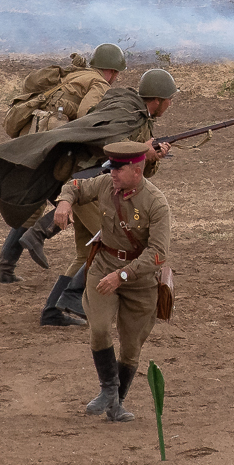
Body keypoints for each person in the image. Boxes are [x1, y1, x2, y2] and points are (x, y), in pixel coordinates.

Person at [32, 68, 178, 325]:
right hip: (94, 188)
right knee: (112, 244)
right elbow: (115, 155)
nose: (170, 104)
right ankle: (72, 298)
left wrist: (151, 156)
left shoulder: (137, 118)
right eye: (169, 99)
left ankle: (52, 311)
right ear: (157, 100)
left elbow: (139, 172)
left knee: (82, 254)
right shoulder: (128, 116)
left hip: (91, 186)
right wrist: (143, 151)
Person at [50, 141, 170, 423]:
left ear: (137, 171)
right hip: (103, 266)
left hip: (139, 279)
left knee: (131, 347)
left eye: (118, 169)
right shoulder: (106, 184)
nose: (112, 173)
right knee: (100, 328)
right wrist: (65, 202)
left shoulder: (155, 203)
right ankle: (108, 391)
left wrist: (123, 276)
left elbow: (158, 253)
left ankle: (117, 402)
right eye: (111, 168)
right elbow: (76, 186)